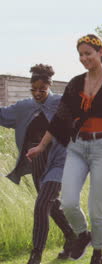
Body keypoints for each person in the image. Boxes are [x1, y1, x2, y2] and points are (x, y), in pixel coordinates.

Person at [27, 34, 102, 264]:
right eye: (81, 54)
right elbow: (59, 119)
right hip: (77, 147)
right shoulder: (75, 83)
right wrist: (41, 146)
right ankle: (83, 234)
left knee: (96, 207)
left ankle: (98, 252)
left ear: (100, 53)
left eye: (88, 53)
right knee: (68, 201)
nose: (84, 58)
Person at [0, 64, 76, 264]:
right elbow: (2, 114)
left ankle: (36, 254)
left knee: (42, 204)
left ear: (49, 86)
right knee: (51, 206)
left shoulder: (61, 102)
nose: (37, 93)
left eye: (42, 90)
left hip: (60, 160)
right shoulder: (24, 106)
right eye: (33, 89)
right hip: (37, 161)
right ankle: (72, 236)